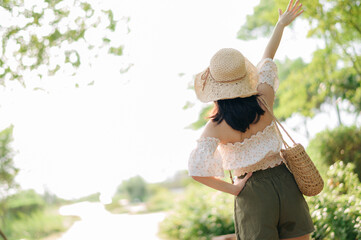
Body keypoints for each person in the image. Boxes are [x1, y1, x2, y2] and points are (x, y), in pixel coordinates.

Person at [187, 0, 315, 239]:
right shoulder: (263, 98)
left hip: (252, 191)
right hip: (286, 181)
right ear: (244, 77)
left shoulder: (215, 126)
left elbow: (196, 170)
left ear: (215, 89)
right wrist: (280, 25)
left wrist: (234, 189)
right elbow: (267, 58)